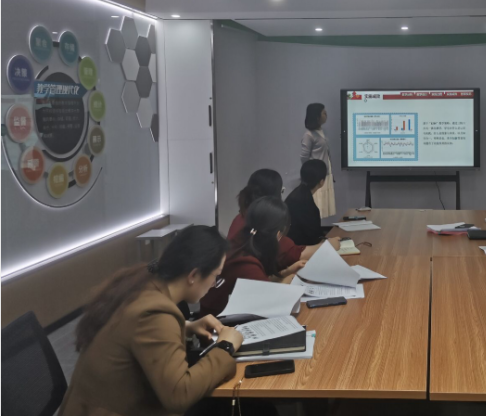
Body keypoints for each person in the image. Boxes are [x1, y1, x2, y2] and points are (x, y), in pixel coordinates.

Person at [59, 226, 243, 416]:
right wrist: (225, 347)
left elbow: (131, 329)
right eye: (215, 276)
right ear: (193, 275)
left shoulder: (140, 283)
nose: (214, 284)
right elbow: (180, 394)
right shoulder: (156, 312)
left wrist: (186, 327)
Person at [201, 196, 304, 317]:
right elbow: (270, 301)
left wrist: (287, 271)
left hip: (217, 315)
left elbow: (259, 284)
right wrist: (290, 278)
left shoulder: (241, 241)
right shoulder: (246, 264)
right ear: (278, 234)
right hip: (218, 324)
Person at [227, 169, 338, 271]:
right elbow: (296, 254)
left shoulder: (239, 218)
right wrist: (330, 245)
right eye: (281, 191)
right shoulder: (266, 225)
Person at [301, 103, 336, 218]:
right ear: (317, 117)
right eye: (324, 113)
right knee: (317, 205)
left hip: (325, 173)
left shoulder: (322, 132)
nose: (326, 115)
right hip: (316, 176)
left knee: (324, 207)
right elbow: (304, 157)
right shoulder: (308, 135)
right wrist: (310, 173)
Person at [285, 159, 328, 245]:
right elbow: (313, 235)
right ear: (321, 182)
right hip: (301, 247)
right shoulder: (303, 201)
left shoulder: (298, 193)